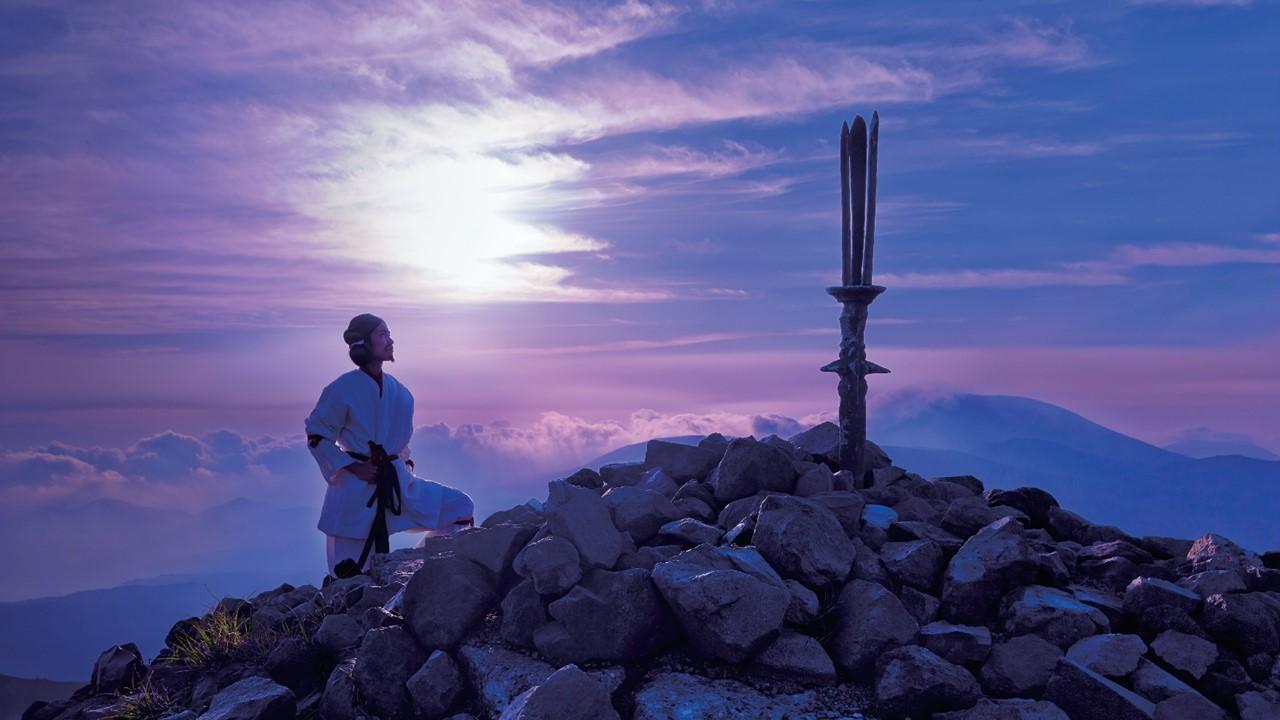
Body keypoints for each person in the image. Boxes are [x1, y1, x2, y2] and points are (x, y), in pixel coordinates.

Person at [305, 313, 475, 578]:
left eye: (389, 334)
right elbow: (317, 435)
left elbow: (401, 444)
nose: (390, 340)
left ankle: (426, 571)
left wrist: (404, 462)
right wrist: (353, 467)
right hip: (355, 489)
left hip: (397, 482)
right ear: (363, 344)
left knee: (459, 508)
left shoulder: (400, 392)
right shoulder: (341, 389)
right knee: (347, 576)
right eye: (382, 335)